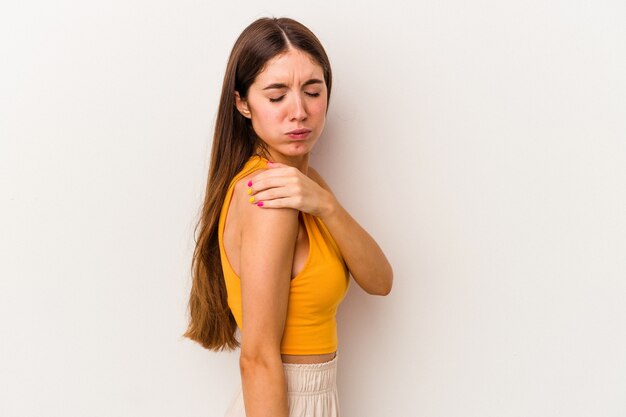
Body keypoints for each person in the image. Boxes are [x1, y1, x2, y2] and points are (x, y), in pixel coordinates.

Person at [183, 16, 393, 417]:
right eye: (277, 96)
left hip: (314, 398)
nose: (299, 111)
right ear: (242, 103)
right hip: (287, 401)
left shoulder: (306, 186)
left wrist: (326, 204)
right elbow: (258, 357)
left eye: (312, 91)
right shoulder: (269, 199)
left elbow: (380, 281)